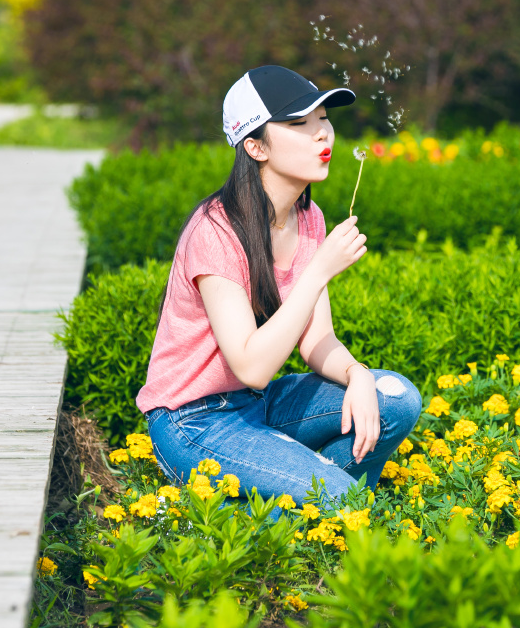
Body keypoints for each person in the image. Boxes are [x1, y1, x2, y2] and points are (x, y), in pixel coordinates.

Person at [137, 65, 422, 514]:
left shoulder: (309, 218)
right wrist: (318, 272)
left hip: (260, 405)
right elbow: (251, 365)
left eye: (323, 119)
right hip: (195, 422)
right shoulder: (216, 231)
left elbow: (316, 340)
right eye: (298, 124)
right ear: (254, 145)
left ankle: (301, 502)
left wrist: (358, 374)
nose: (322, 135)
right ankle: (256, 513)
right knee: (337, 495)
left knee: (397, 398)